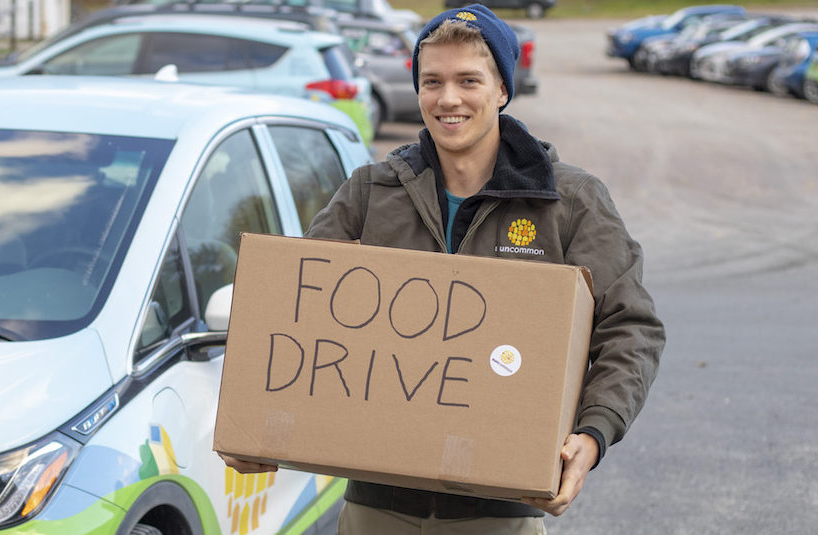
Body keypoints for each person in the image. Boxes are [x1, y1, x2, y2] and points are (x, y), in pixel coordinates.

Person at [219, 3, 666, 533]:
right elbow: (298, 313)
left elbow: (630, 327)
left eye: (468, 80)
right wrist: (257, 430)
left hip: (502, 507)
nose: (447, 98)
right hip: (375, 508)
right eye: (432, 81)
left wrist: (593, 434)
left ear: (502, 89)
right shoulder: (370, 192)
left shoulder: (569, 201)